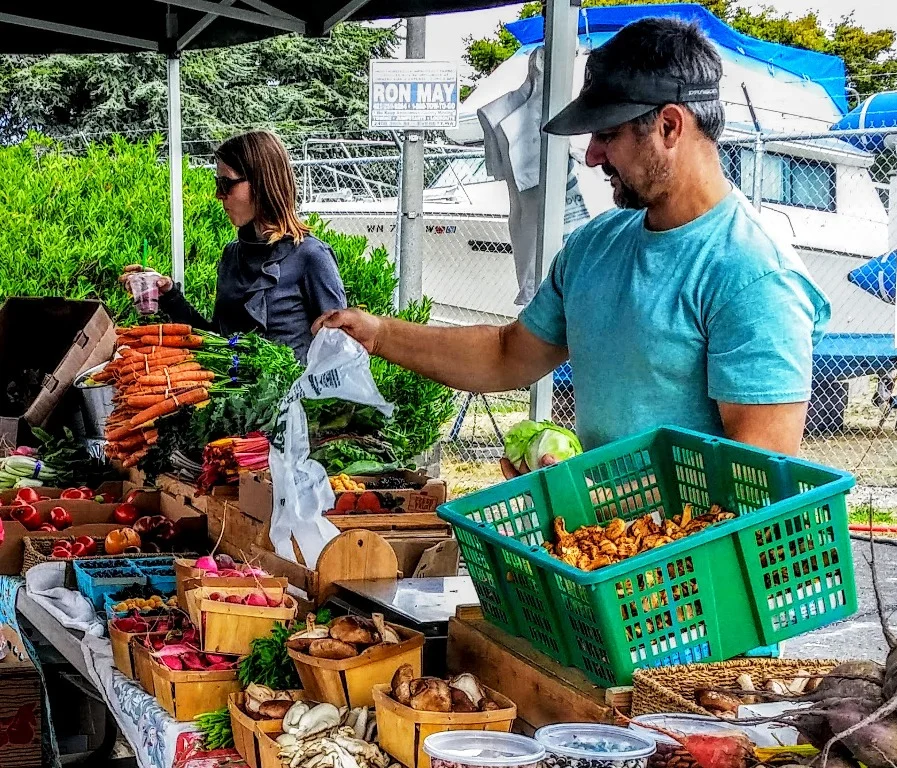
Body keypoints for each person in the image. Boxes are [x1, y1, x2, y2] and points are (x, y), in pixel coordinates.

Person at [314, 17, 830, 465]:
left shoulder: (754, 275)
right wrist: (378, 334)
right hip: (601, 554)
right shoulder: (593, 247)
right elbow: (505, 355)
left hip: (693, 574)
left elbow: (757, 482)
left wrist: (595, 495)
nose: (590, 156)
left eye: (606, 133)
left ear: (669, 126)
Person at [122, 130, 346, 363]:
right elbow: (216, 341)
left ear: (261, 182)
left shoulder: (311, 256)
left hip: (292, 397)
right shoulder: (232, 255)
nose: (219, 195)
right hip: (233, 396)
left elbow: (339, 351)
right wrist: (168, 295)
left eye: (226, 183)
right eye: (217, 183)